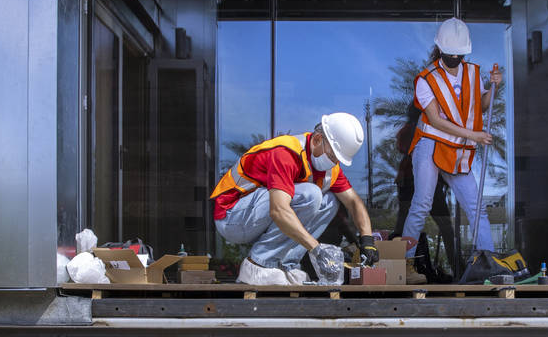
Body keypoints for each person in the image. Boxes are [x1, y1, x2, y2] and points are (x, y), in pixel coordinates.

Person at [212, 113, 378, 285]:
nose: (334, 162)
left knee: (329, 202)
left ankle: (286, 265)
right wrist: (316, 249)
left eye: (338, 159)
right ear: (317, 139)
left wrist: (367, 239)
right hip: (232, 217)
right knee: (311, 195)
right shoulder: (285, 152)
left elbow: (353, 202)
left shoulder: (331, 170)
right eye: (333, 155)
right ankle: (258, 265)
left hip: (257, 217)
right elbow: (279, 210)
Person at [402, 18, 502, 268]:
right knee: (422, 203)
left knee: (476, 207)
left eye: (460, 54)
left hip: (457, 148)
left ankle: (488, 264)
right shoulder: (427, 79)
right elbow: (434, 121)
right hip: (431, 144)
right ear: (440, 49)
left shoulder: (473, 73)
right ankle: (403, 266)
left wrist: (494, 87)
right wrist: (474, 136)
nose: (455, 57)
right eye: (451, 53)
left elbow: (483, 106)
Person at [392, 100, 456, 282]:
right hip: (410, 182)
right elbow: (408, 150)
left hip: (429, 182)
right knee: (405, 225)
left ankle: (456, 265)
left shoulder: (419, 129)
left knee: (445, 228)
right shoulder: (410, 130)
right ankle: (400, 267)